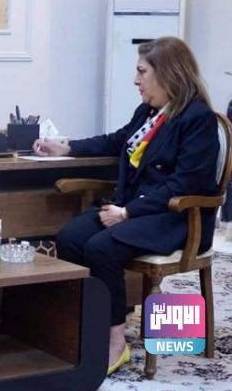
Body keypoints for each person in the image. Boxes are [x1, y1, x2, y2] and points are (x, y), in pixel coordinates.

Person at [34, 37, 219, 375]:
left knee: (101, 247)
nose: (136, 80)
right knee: (71, 237)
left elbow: (185, 184)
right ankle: (90, 326)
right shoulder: (150, 112)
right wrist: (67, 147)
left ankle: (115, 344)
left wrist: (127, 213)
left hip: (176, 218)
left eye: (142, 72)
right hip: (136, 209)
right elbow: (117, 141)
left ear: (168, 73)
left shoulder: (198, 119)